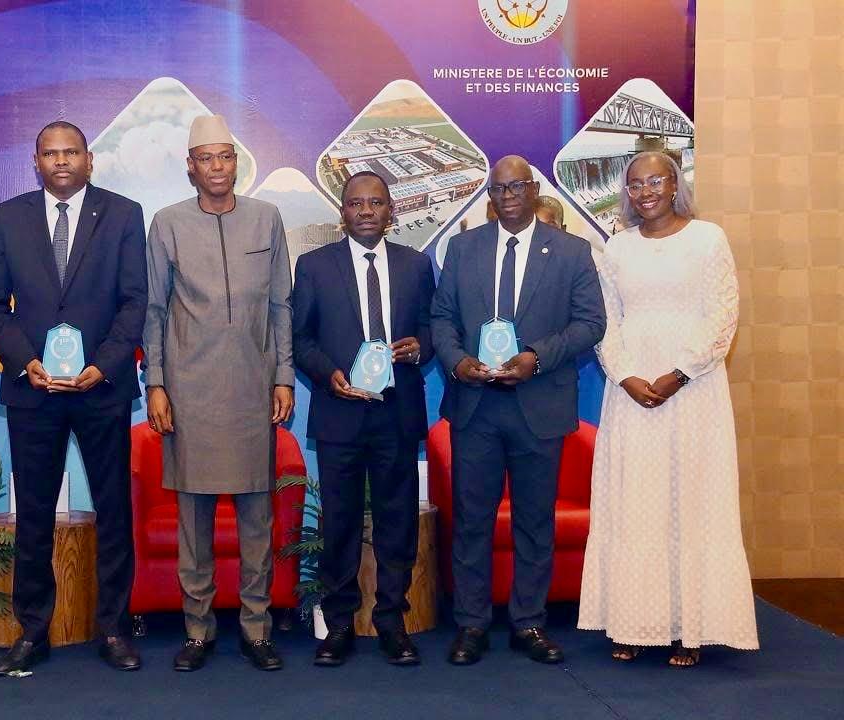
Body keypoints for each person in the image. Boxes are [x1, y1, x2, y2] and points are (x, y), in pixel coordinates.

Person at [578, 151, 759, 667]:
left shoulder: (708, 239)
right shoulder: (617, 247)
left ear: (676, 184)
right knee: (635, 504)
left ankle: (691, 628)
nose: (646, 191)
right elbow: (606, 322)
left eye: (656, 180)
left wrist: (678, 373)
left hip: (693, 391)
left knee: (690, 502)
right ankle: (634, 622)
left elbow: (723, 316)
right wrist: (627, 376)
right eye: (636, 184)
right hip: (631, 392)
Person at [0, 121, 148, 674]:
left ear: (89, 159)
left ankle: (114, 628)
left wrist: (104, 366)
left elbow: (134, 301)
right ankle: (33, 631)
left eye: (70, 152)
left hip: (102, 389)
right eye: (50, 153)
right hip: (33, 391)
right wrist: (26, 362)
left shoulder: (123, 214)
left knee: (114, 511)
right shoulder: (8, 217)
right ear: (36, 162)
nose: (60, 161)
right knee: (33, 514)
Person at [431, 154, 605, 666]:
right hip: (476, 408)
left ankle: (529, 622)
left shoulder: (571, 251)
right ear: (491, 197)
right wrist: (457, 361)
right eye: (498, 189)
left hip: (539, 405)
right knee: (472, 521)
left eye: (516, 187)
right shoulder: (462, 249)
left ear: (533, 191)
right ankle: (471, 624)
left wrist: (536, 357)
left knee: (534, 522)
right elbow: (441, 317)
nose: (507, 197)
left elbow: (590, 323)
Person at [143, 114, 294, 672]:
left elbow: (281, 306)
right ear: (191, 167)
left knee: (257, 523)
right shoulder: (167, 223)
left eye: (225, 157)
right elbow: (154, 312)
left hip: (253, 392)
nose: (217, 167)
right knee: (195, 526)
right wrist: (157, 384)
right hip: (189, 396)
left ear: (237, 162)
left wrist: (283, 376)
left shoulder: (266, 218)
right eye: (206, 158)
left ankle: (257, 630)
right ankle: (197, 631)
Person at [292, 171, 435, 667]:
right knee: (340, 523)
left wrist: (420, 348)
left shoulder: (416, 265)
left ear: (391, 210)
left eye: (376, 203)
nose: (367, 211)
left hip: (397, 412)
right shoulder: (314, 266)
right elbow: (300, 338)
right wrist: (327, 373)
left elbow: (433, 328)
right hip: (340, 413)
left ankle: (392, 622)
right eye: (357, 203)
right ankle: (338, 626)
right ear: (343, 212)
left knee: (398, 522)